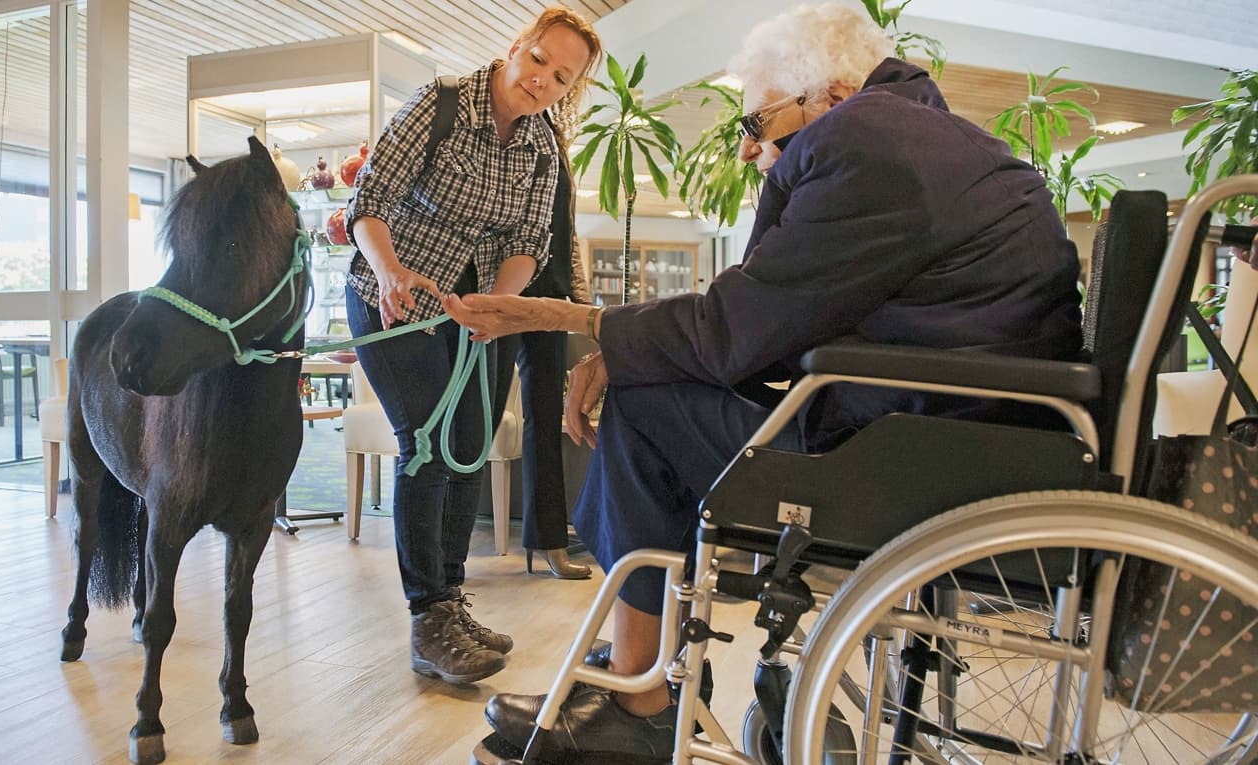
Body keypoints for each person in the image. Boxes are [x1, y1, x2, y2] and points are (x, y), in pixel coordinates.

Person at [445, 2, 1083, 759]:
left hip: (918, 457)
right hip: (963, 434)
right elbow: (766, 331)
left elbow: (734, 331)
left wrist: (567, 320)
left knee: (647, 403)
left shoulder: (867, 139)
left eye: (756, 124)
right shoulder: (928, 137)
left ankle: (642, 694)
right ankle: (642, 676)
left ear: (831, 96)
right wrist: (631, 342)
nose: (749, 152)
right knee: (663, 384)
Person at [343, 6, 601, 686]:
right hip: (390, 293)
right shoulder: (443, 104)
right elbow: (367, 201)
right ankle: (428, 613)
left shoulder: (543, 149)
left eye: (562, 77)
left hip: (470, 310)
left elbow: (526, 245)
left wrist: (496, 308)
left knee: (469, 442)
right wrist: (394, 270)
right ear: (517, 47)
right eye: (540, 60)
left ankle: (450, 600)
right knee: (426, 440)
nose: (544, 80)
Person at [490, 117, 593, 581]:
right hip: (497, 292)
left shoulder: (555, 143)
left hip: (548, 297)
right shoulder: (498, 130)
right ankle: (444, 555)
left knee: (545, 420)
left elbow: (565, 231)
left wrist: (583, 297)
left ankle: (549, 541)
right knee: (482, 415)